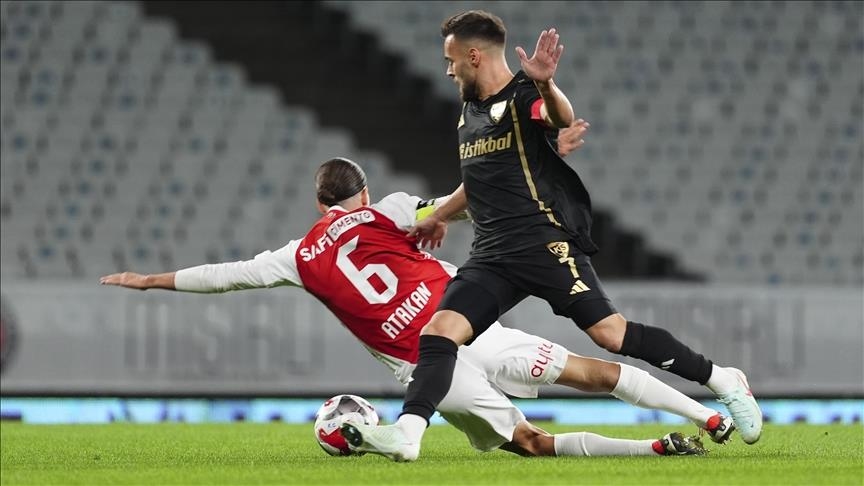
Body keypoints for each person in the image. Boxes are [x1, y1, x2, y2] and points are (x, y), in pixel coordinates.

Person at [101, 157, 734, 458]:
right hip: (469, 328)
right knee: (592, 371)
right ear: (363, 193)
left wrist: (152, 280)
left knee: (529, 443)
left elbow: (224, 277)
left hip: (424, 368)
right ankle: (704, 416)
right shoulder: (392, 211)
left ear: (321, 205)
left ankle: (654, 449)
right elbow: (455, 204)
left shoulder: (297, 257)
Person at [342, 10, 761, 462]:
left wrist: (544, 84)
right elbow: (479, 178)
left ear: (474, 56)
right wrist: (439, 215)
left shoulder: (524, 93)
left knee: (611, 335)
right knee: (440, 332)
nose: (448, 70)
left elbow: (558, 116)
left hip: (541, 243)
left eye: (451, 60)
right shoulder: (470, 114)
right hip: (492, 255)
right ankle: (407, 435)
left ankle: (722, 379)